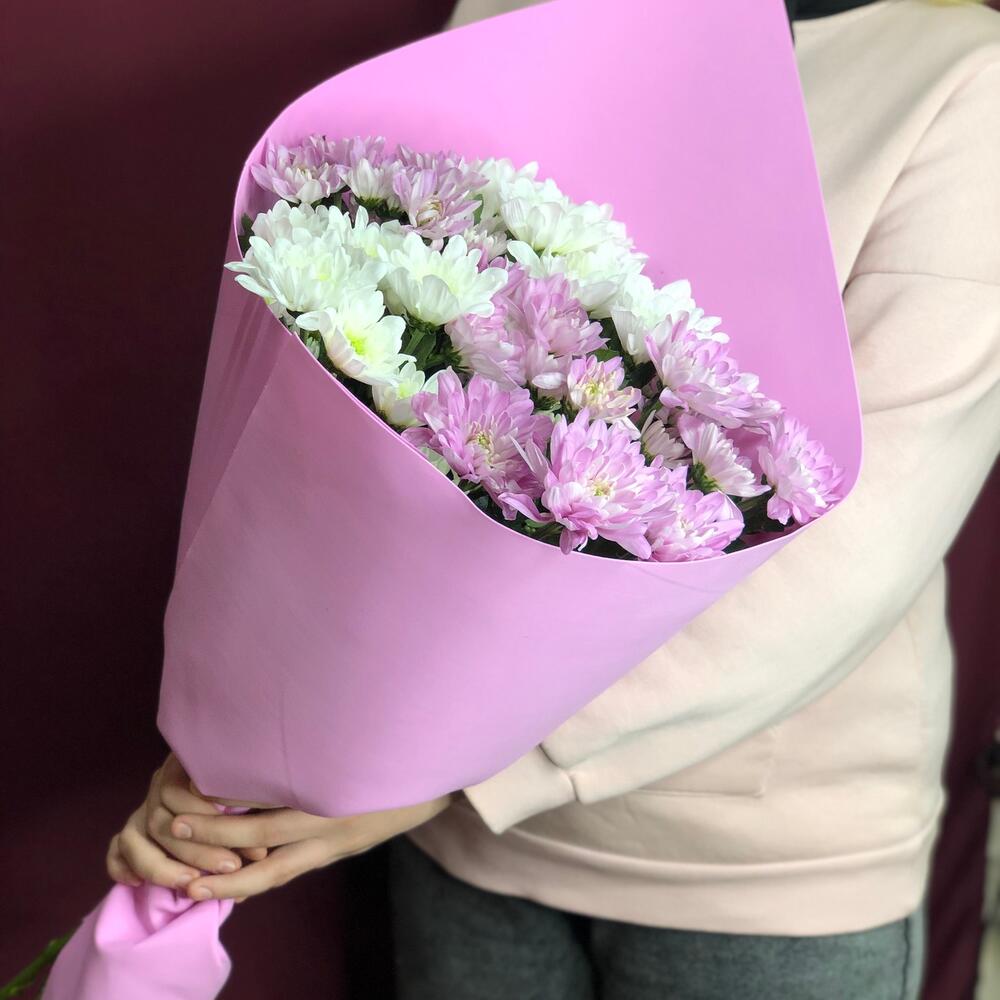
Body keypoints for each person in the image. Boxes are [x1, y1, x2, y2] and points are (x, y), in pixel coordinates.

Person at [108, 1, 1000, 997]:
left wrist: (472, 771)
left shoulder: (959, 84)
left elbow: (851, 554)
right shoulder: (518, 10)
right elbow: (380, 427)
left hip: (750, 871)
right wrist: (247, 752)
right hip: (451, 843)